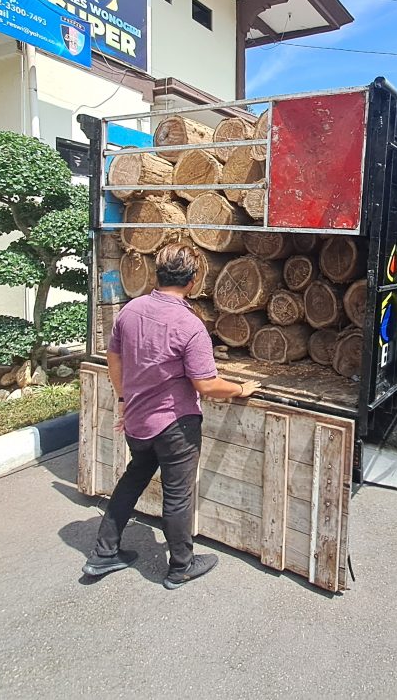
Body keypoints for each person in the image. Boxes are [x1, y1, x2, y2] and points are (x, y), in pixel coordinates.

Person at [84, 243, 260, 587]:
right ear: (193, 281)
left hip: (138, 422)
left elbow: (114, 359)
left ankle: (103, 554)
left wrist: (123, 400)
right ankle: (181, 566)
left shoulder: (130, 310)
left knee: (132, 479)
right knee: (177, 496)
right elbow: (206, 385)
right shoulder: (189, 325)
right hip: (174, 426)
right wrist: (240, 389)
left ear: (157, 273)